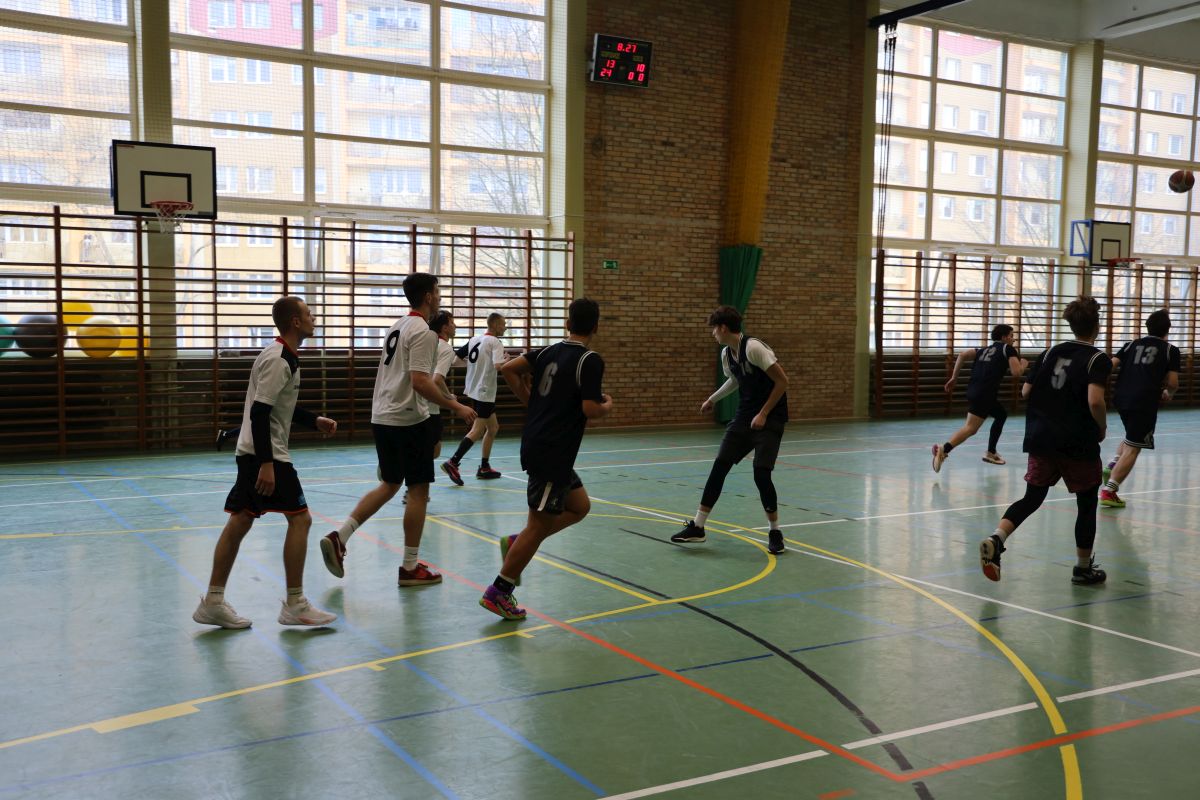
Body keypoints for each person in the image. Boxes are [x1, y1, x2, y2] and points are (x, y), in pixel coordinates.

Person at [319, 274, 477, 583]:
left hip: (382, 415)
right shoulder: (423, 332)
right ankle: (410, 567)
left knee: (390, 484)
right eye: (438, 291)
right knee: (418, 491)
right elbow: (420, 382)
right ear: (428, 296)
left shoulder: (397, 326)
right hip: (407, 419)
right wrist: (456, 406)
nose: (440, 297)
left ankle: (341, 535)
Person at [193, 296, 339, 629]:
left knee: (241, 520)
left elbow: (276, 406)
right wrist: (267, 464)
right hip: (267, 454)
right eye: (308, 314)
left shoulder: (281, 355)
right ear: (295, 322)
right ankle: (295, 604)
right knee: (300, 519)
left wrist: (313, 420)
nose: (314, 317)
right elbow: (260, 412)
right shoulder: (279, 359)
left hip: (254, 452)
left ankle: (213, 601)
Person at [479, 298, 612, 620]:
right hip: (552, 450)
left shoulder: (548, 351)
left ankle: (517, 542)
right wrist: (607, 405)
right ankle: (499, 591)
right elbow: (590, 409)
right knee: (538, 526)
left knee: (579, 506)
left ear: (568, 323)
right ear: (595, 326)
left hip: (545, 447)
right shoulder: (590, 360)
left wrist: (530, 400)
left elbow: (508, 369)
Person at [978, 297, 1110, 586]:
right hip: (1077, 441)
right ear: (1097, 326)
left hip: (1041, 436)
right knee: (1086, 503)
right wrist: (1102, 427)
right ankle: (1083, 568)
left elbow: (1025, 392)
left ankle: (997, 538)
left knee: (1032, 497)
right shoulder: (1097, 358)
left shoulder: (1050, 351)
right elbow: (1095, 400)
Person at [670, 306, 790, 555]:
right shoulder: (727, 354)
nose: (713, 333)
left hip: (771, 417)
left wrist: (763, 413)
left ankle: (775, 531)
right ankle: (698, 527)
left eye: (714, 329)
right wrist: (712, 399)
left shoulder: (753, 348)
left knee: (761, 473)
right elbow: (735, 380)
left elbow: (782, 381)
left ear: (723, 328)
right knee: (720, 466)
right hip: (745, 416)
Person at [1101, 309, 1181, 508]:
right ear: (1167, 329)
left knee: (1132, 435)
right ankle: (1109, 490)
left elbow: (1109, 366)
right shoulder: (1170, 350)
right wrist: (1168, 393)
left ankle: (1113, 464)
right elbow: (1172, 382)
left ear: (1147, 326)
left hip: (1120, 397)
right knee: (1135, 447)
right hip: (1143, 400)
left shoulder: (1130, 345)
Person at [932, 324, 1028, 471]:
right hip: (985, 394)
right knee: (971, 428)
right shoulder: (1008, 349)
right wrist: (1023, 364)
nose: (1013, 339)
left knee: (999, 416)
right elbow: (1016, 373)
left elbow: (962, 355)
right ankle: (945, 449)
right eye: (1011, 336)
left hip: (974, 390)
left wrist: (954, 378)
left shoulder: (983, 350)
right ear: (1004, 337)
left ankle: (990, 452)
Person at [442, 312, 508, 484]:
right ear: (495, 325)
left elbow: (455, 361)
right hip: (485, 390)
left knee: (493, 427)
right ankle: (453, 462)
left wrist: (474, 365)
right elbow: (498, 366)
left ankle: (484, 467)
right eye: (503, 325)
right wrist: (507, 360)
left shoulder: (474, 340)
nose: (505, 328)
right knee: (477, 430)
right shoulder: (495, 342)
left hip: (474, 389)